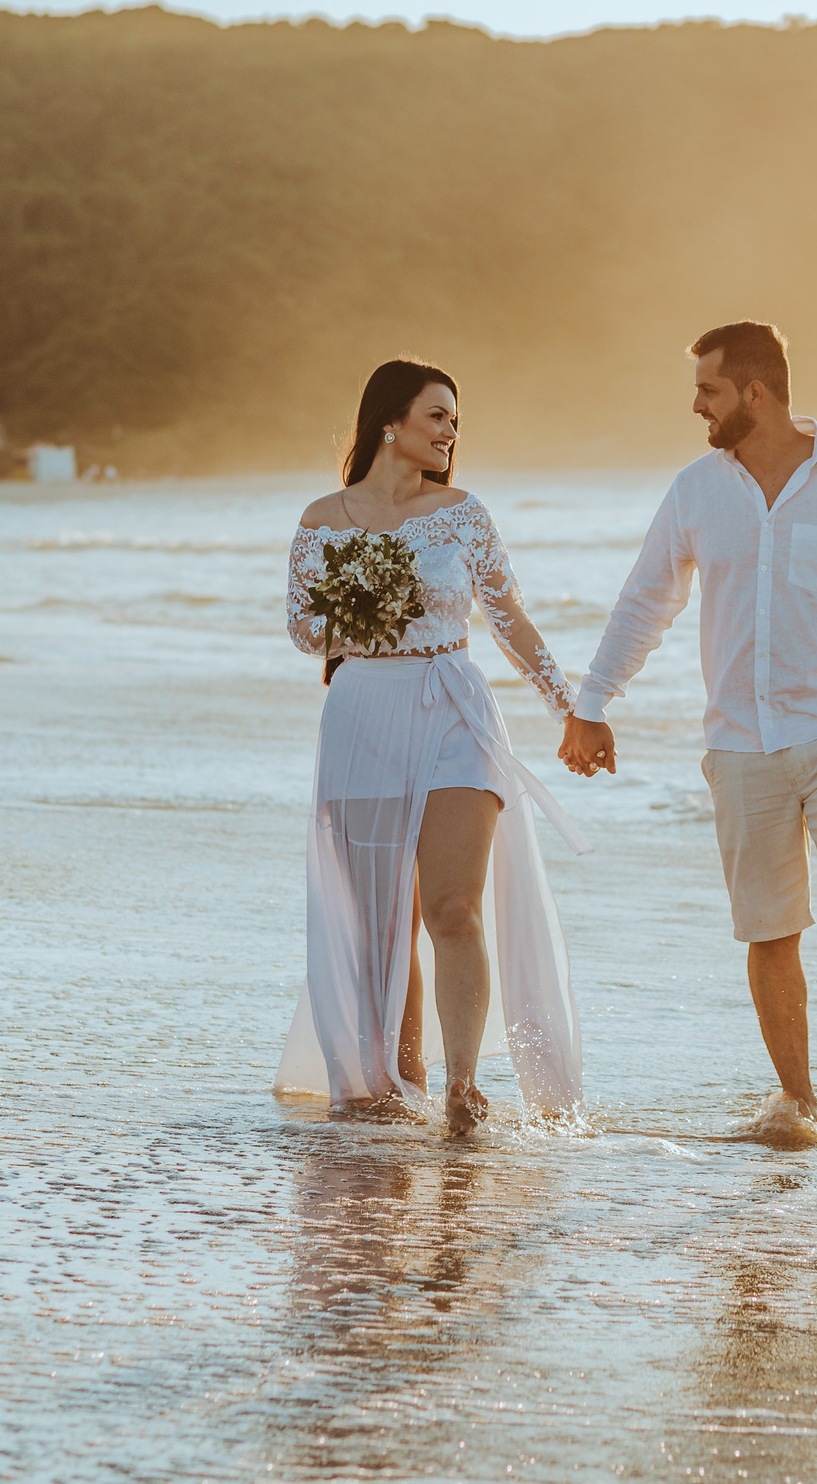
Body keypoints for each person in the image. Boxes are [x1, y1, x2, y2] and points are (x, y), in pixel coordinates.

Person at [558, 321, 817, 1137]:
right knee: (769, 924)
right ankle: (799, 1098)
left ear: (755, 390)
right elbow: (647, 599)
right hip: (741, 738)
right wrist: (594, 700)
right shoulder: (695, 490)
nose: (695, 405)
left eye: (708, 389)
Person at [276, 359, 589, 1135]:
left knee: (452, 908)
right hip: (361, 713)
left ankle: (463, 1083)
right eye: (437, 416)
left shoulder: (463, 513)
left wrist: (570, 706)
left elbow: (507, 617)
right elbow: (303, 629)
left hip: (453, 705)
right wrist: (367, 609)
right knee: (381, 922)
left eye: (455, 420)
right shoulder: (323, 518)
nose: (451, 432)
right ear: (392, 421)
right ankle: (395, 1079)